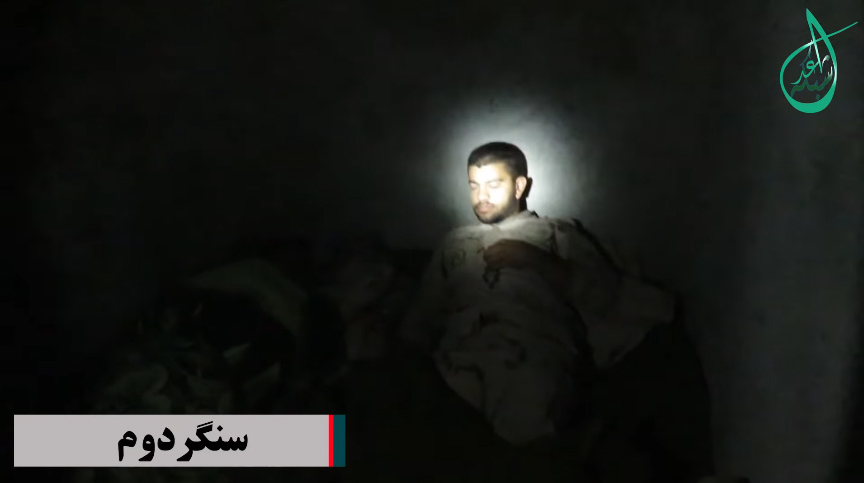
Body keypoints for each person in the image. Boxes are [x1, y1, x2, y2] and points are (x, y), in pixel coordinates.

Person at [399, 141, 677, 446]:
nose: (481, 197)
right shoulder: (455, 242)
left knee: (529, 418)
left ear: (519, 186)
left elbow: (602, 292)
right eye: (474, 186)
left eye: (493, 185)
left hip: (531, 351)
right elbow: (423, 312)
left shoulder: (554, 233)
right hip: (462, 354)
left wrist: (538, 260)